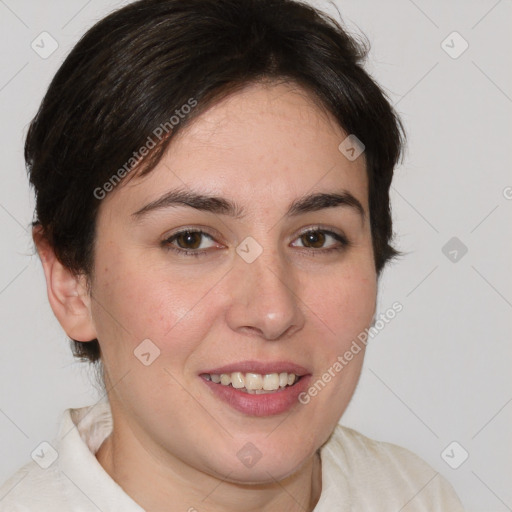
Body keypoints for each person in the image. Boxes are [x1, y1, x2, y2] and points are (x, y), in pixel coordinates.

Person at [0, 0, 465, 510]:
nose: (272, 311)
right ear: (71, 281)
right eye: (191, 240)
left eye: (315, 238)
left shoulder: (415, 495)